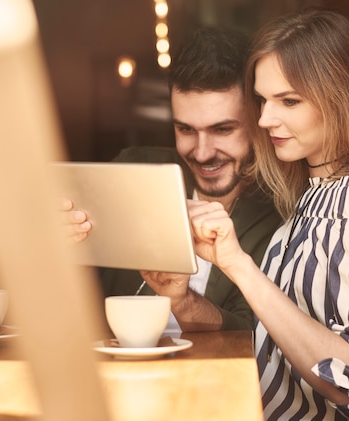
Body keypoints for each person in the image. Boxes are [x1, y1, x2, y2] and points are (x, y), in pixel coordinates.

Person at [187, 8, 349, 420]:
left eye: (289, 100)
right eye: (262, 99)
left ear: (340, 97)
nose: (266, 119)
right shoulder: (317, 197)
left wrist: (238, 264)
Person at [62, 27, 281, 332]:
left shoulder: (281, 213)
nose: (203, 153)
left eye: (222, 130)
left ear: (258, 121)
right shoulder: (132, 171)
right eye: (186, 130)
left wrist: (183, 301)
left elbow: (257, 336)